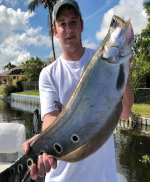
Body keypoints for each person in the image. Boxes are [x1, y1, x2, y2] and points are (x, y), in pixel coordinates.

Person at [22, 0, 134, 181]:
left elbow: (125, 112)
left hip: (102, 177)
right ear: (55, 32)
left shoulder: (101, 59)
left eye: (73, 22)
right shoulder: (48, 74)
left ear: (81, 25)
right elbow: (49, 118)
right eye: (62, 24)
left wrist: (123, 70)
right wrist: (44, 143)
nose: (68, 29)